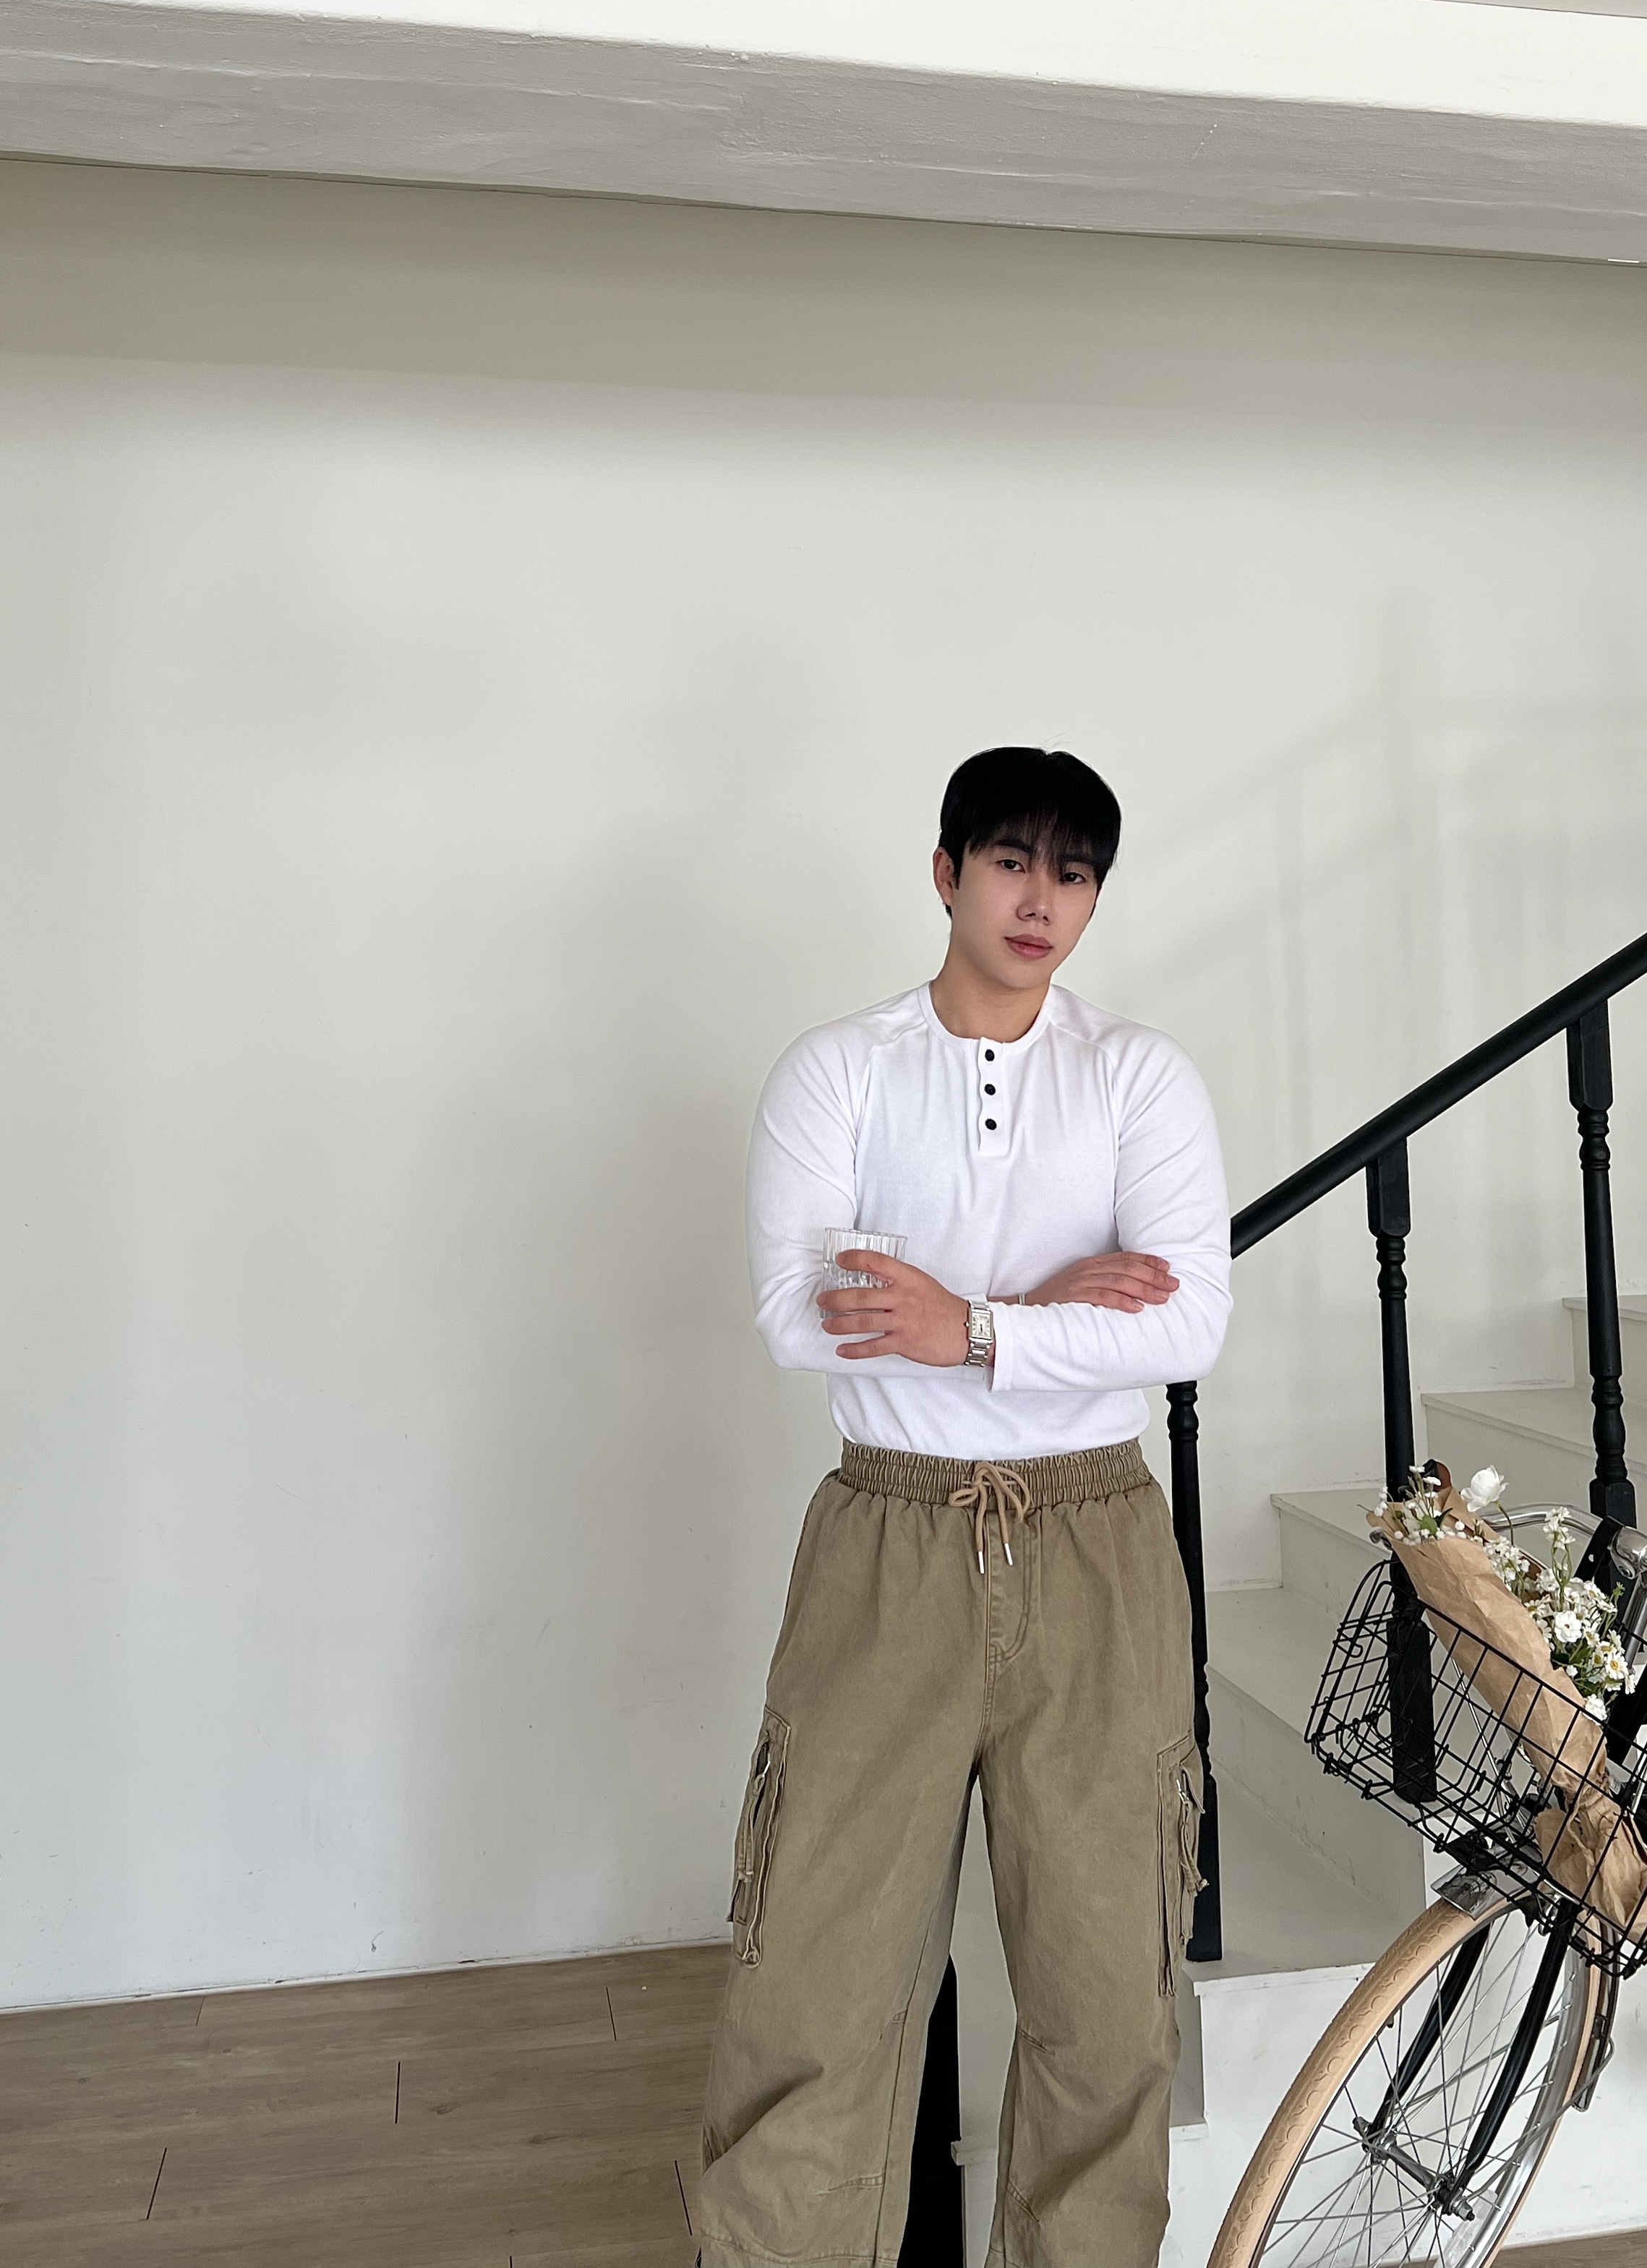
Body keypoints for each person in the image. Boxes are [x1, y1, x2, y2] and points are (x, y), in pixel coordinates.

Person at [697, 746, 1232, 2268]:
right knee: (816, 1981)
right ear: (945, 872)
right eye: (1008, 860)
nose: (1038, 898)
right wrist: (1055, 1302)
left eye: (1072, 872)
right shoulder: (838, 1068)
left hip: (1095, 1542)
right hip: (890, 1535)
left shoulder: (1137, 1074)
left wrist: (971, 1323)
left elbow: (1186, 1323)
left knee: (1103, 1997)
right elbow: (801, 1314)